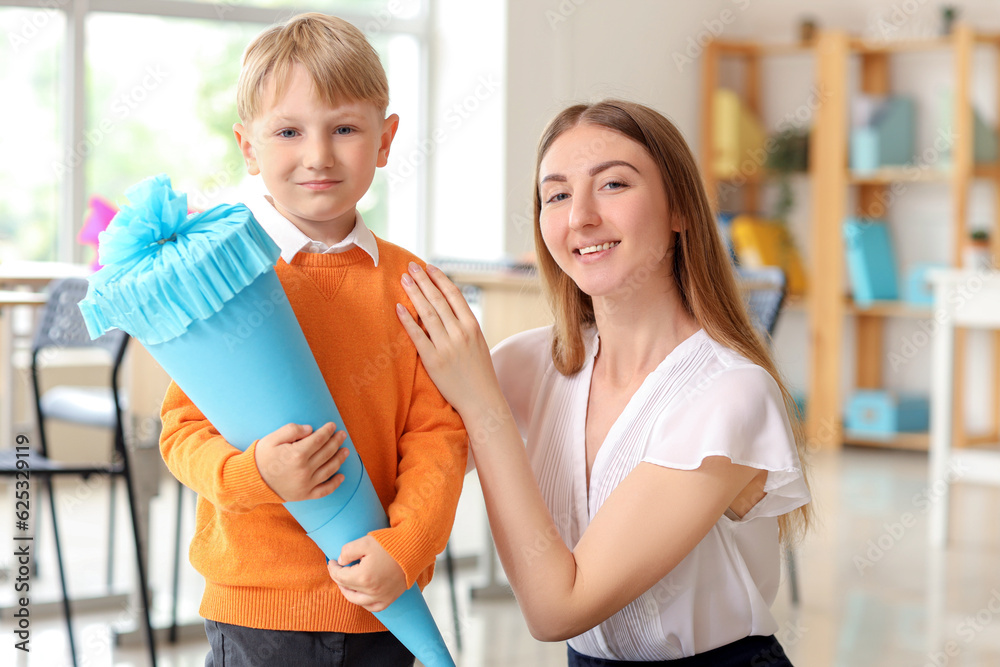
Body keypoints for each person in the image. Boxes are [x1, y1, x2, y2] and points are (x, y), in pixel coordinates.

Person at [395, 99, 811, 666]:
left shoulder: (729, 394)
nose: (579, 217)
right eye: (557, 195)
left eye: (613, 185)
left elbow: (555, 610)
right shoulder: (526, 364)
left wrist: (482, 406)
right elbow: (391, 483)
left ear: (679, 210)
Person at [159, 13, 467, 667]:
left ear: (385, 141)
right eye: (289, 131)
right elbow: (182, 433)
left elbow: (438, 438)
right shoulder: (223, 279)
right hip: (253, 610)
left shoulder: (415, 286)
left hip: (382, 601)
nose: (319, 155)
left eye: (345, 129)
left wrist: (405, 549)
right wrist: (257, 474)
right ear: (248, 146)